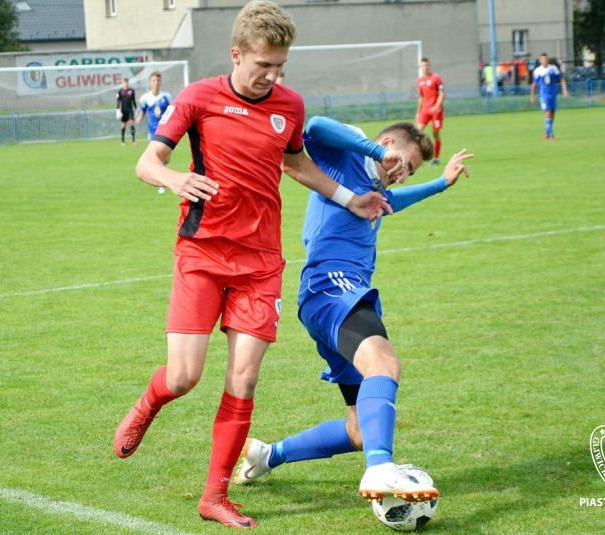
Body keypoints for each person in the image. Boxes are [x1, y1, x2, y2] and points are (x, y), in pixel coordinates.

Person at [113, 1, 393, 529]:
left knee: (243, 379)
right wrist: (174, 179)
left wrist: (350, 197)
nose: (273, 76)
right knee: (184, 376)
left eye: (280, 66)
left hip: (261, 264)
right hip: (202, 253)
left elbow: (295, 163)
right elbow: (147, 161)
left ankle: (214, 497)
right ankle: (150, 402)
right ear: (236, 54)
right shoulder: (198, 98)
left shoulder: (290, 105)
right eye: (264, 65)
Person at [234, 116, 473, 506]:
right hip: (331, 287)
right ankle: (380, 468)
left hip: (336, 297)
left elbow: (395, 202)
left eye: (410, 171)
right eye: (403, 163)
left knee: (360, 430)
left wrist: (441, 183)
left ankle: (268, 455)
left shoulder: (375, 192)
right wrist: (377, 151)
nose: (401, 174)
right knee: (384, 364)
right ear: (386, 144)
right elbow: (315, 127)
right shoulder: (346, 158)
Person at [137, 71, 173, 193]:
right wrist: (139, 117)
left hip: (166, 131)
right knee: (157, 157)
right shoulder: (145, 98)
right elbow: (143, 110)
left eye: (158, 80)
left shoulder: (166, 97)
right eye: (154, 80)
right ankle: (162, 184)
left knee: (166, 159)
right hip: (153, 132)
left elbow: (172, 110)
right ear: (150, 82)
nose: (156, 83)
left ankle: (163, 176)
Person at [530, 53, 568, 140]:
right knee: (548, 112)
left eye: (546, 59)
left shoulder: (553, 68)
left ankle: (547, 131)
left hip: (553, 94)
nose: (545, 61)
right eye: (543, 59)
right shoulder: (537, 71)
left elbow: (561, 79)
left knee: (553, 113)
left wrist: (564, 90)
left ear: (548, 60)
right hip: (544, 95)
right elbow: (534, 84)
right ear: (540, 61)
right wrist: (532, 96)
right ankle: (551, 135)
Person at [415, 58, 444, 164]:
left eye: (427, 65)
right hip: (425, 110)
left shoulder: (436, 78)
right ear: (420, 67)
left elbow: (441, 94)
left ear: (429, 66)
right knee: (417, 133)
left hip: (436, 111)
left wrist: (436, 106)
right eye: (423, 65)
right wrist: (418, 112)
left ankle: (436, 158)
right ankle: (419, 157)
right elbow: (421, 97)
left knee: (435, 133)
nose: (425, 67)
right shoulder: (419, 81)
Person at [116, 78, 137, 146]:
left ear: (128, 83)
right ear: (123, 84)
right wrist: (118, 109)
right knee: (123, 125)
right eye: (124, 83)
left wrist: (136, 108)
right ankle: (123, 141)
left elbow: (134, 100)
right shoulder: (120, 91)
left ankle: (133, 140)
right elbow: (118, 101)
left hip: (130, 110)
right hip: (123, 111)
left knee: (131, 124)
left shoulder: (131, 91)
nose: (125, 84)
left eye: (126, 83)